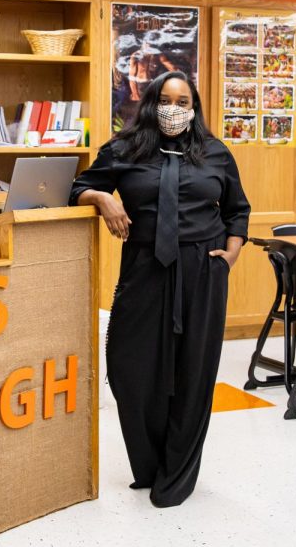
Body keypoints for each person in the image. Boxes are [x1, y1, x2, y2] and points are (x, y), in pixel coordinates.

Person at [69, 70, 250, 508]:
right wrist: (103, 198)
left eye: (183, 101)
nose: (174, 108)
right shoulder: (123, 148)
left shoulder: (214, 152)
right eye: (166, 100)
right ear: (150, 103)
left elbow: (237, 211)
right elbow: (77, 188)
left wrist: (230, 257)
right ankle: (148, 463)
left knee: (194, 372)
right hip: (145, 266)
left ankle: (178, 472)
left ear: (194, 107)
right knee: (131, 368)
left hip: (202, 269)